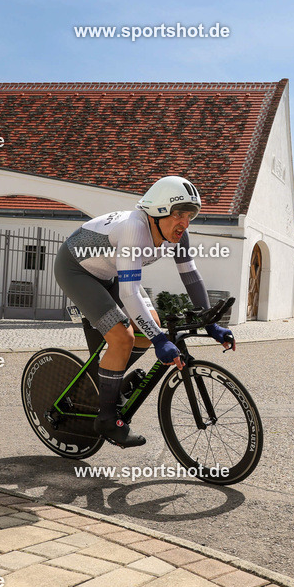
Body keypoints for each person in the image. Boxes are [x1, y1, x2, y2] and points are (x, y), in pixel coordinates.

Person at [54, 176, 234, 448]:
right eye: (178, 215)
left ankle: (106, 382)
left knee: (151, 326)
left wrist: (210, 324)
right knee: (122, 337)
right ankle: (106, 418)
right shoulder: (134, 229)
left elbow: (191, 278)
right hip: (77, 270)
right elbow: (129, 293)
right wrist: (161, 339)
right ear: (158, 212)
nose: (184, 223)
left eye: (190, 216)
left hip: (110, 273)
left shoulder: (178, 235)